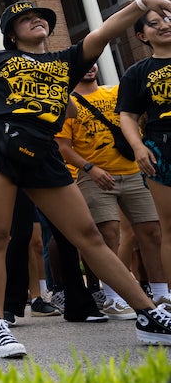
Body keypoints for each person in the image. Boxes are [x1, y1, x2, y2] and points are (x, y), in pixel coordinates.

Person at [0, 0, 171, 359]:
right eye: (27, 19)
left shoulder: (65, 60)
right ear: (11, 32)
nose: (36, 21)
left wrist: (143, 3)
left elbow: (105, 31)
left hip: (43, 149)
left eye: (41, 18)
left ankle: (147, 314)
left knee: (88, 236)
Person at [57, 64, 169, 316]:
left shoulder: (117, 92)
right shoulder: (69, 103)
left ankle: (162, 294)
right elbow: (62, 146)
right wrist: (90, 168)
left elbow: (137, 119)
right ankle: (112, 297)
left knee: (152, 232)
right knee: (107, 235)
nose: (89, 67)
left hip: (134, 172)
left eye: (93, 62)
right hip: (95, 177)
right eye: (82, 64)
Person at [118, 8, 171, 309]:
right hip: (162, 147)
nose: (164, 26)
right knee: (169, 227)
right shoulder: (137, 72)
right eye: (154, 24)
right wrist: (138, 147)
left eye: (167, 20)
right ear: (141, 36)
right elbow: (127, 115)